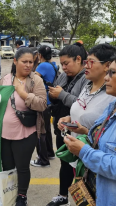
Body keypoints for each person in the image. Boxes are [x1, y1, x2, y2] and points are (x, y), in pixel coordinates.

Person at [0, 47, 47, 206]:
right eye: (24, 61)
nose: (28, 65)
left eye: (31, 62)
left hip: (26, 133)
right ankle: (8, 195)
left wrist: (22, 92)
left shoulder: (35, 80)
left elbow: (42, 105)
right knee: (7, 167)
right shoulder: (5, 79)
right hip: (4, 133)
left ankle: (21, 196)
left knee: (22, 167)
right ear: (15, 61)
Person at [64, 55, 116, 206]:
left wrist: (84, 152)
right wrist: (85, 132)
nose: (107, 78)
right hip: (98, 191)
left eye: (112, 73)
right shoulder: (112, 106)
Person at [46, 42, 89, 206]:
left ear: (79, 59)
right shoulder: (64, 75)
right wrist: (53, 95)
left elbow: (83, 104)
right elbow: (56, 94)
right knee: (64, 162)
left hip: (79, 130)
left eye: (66, 63)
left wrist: (62, 94)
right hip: (61, 126)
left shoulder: (87, 78)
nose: (63, 67)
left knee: (79, 167)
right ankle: (62, 196)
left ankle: (84, 201)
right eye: (61, 63)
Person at [58, 44, 116, 138]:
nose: (85, 66)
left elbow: (109, 138)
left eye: (91, 62)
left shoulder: (111, 95)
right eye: (86, 62)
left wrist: (86, 132)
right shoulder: (87, 87)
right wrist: (70, 119)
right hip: (77, 150)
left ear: (107, 66)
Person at [31, 46, 58, 167]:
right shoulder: (53, 65)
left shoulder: (42, 66)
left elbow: (33, 81)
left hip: (42, 101)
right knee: (46, 130)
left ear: (39, 55)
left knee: (39, 131)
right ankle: (49, 153)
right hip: (49, 101)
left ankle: (43, 159)